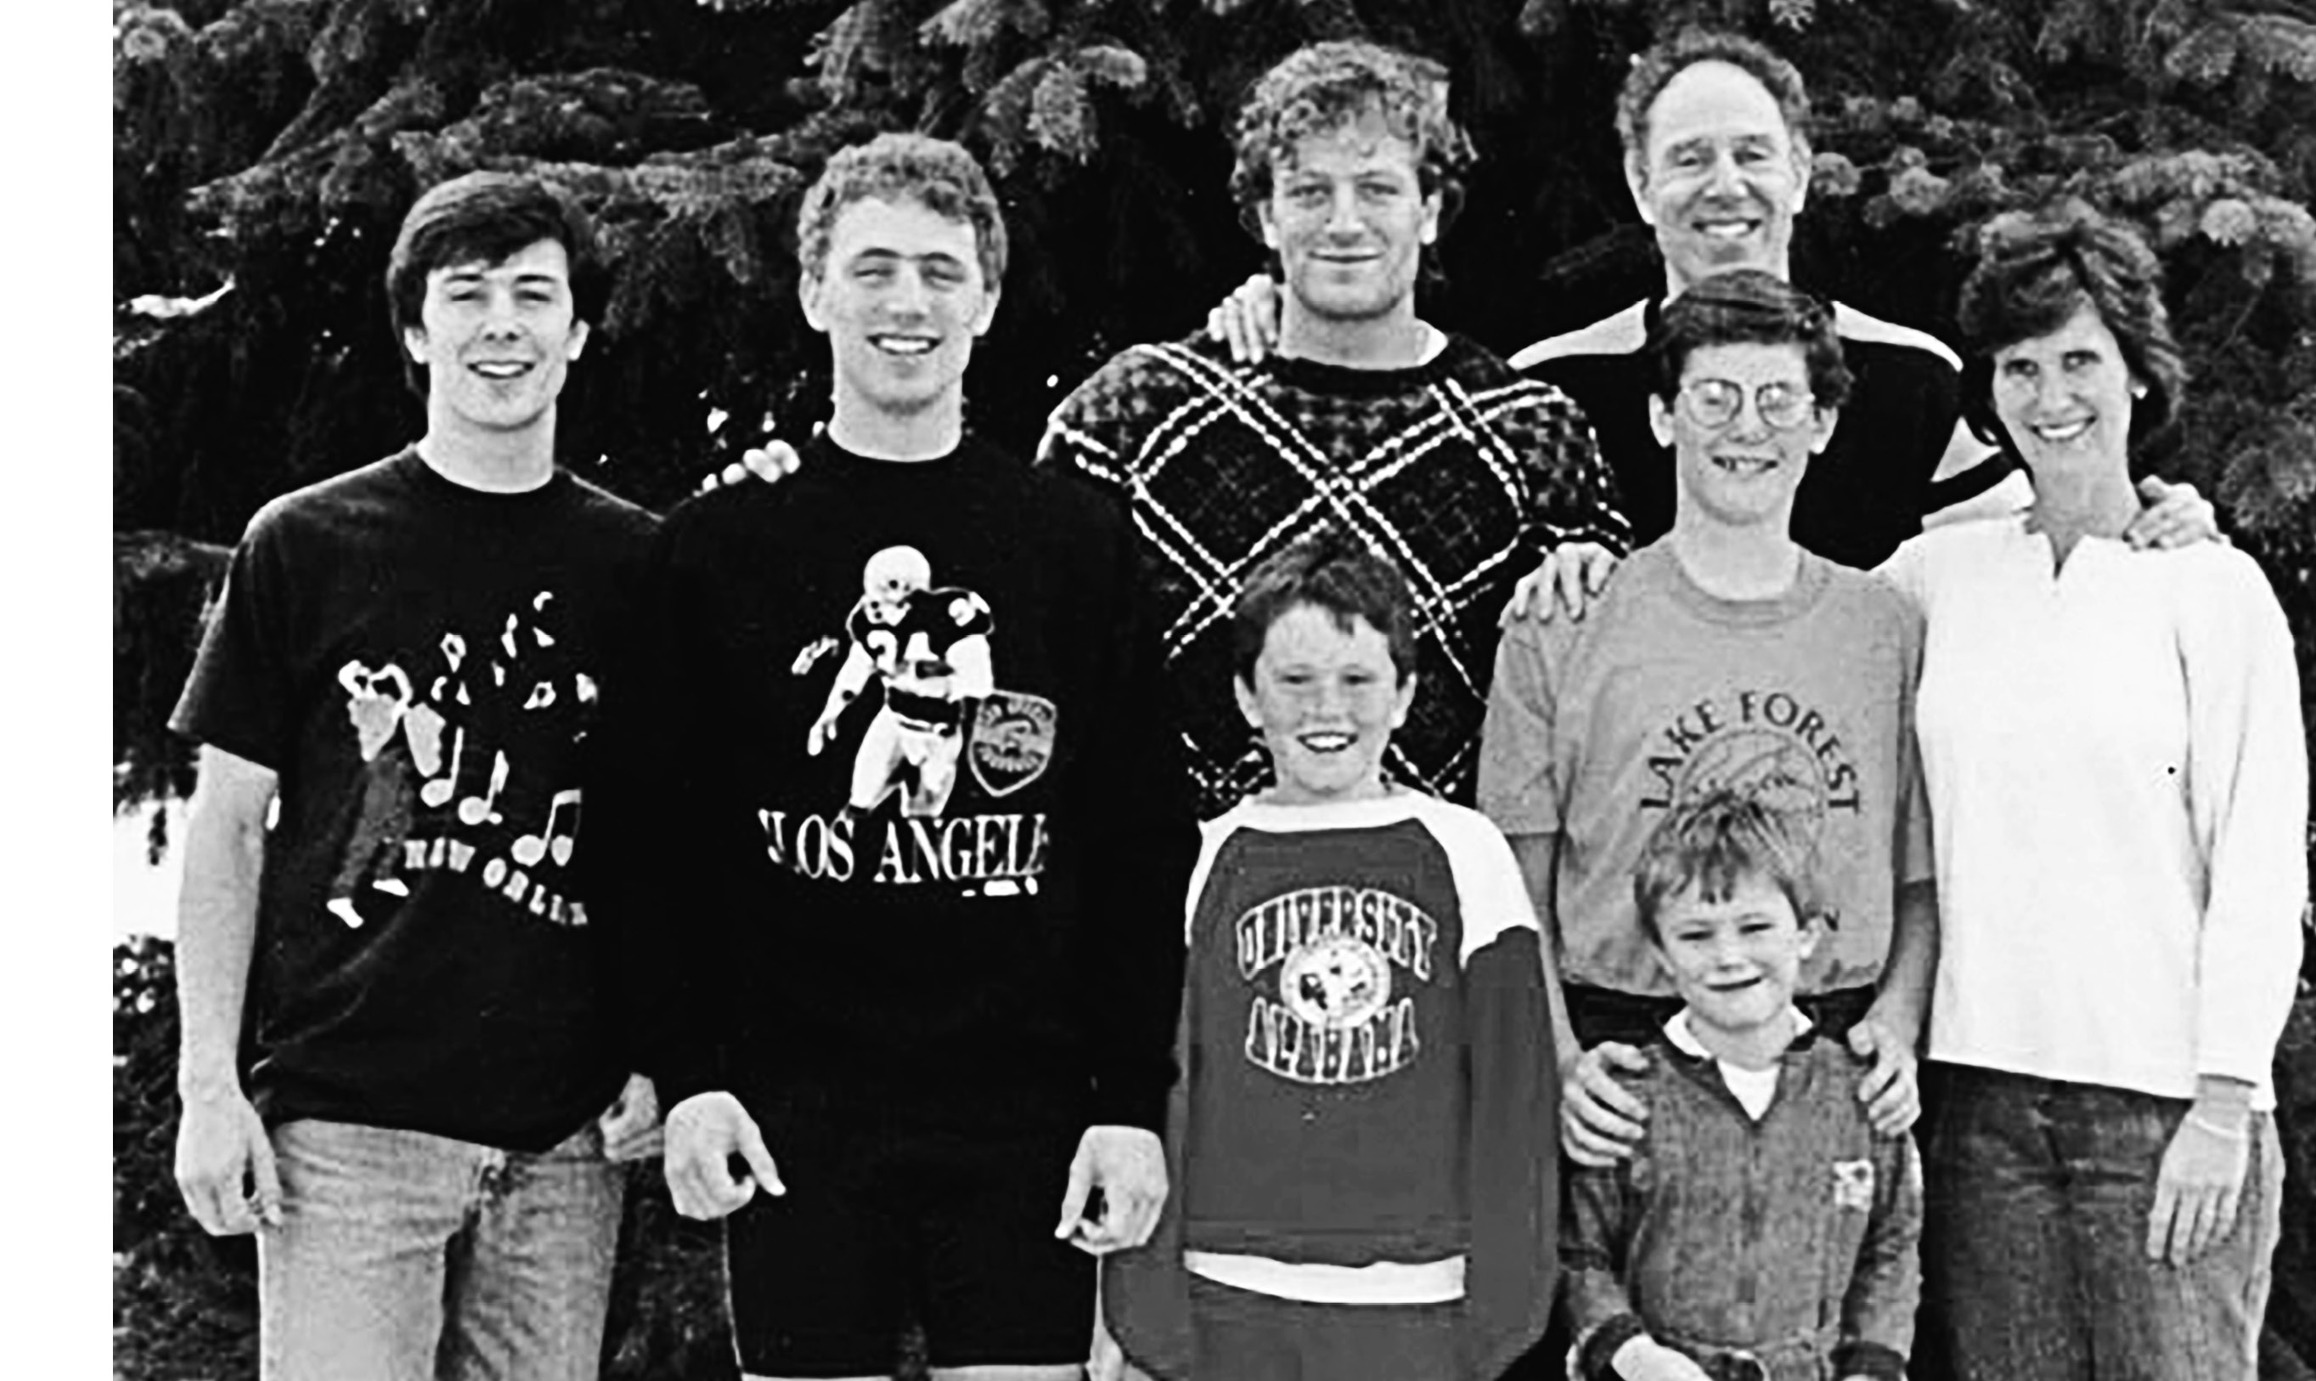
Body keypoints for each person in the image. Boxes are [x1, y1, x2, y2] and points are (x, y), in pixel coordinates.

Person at [596, 132, 1197, 1381]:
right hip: (795, 1110)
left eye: (938, 268)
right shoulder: (718, 550)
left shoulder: (1073, 547)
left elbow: (1141, 844)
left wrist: (1128, 1102)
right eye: (873, 269)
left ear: (984, 295)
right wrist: (693, 1078)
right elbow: (651, 843)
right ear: (816, 293)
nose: (906, 302)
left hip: (1021, 1111)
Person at [168, 170, 662, 1381]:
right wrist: (208, 1088)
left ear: (578, 331)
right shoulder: (307, 541)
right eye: (468, 293)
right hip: (348, 1127)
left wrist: (671, 1051)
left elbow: (665, 842)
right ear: (413, 327)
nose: (503, 323)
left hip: (565, 1144)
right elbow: (228, 828)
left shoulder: (642, 564)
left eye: (535, 294)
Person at [1202, 27, 2213, 572]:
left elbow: (2047, 542)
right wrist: (1266, 309)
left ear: (1803, 173)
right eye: (1688, 158)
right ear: (1641, 187)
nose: (1723, 185)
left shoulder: (1911, 381)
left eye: (1751, 154)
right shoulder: (1554, 388)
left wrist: (2167, 520)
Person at [1879, 199, 2305, 1381]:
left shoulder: (2212, 592)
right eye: (2021, 366)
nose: (2051, 394)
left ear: (2137, 375)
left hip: (2169, 1110)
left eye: (2080, 360)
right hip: (1983, 1107)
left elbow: (2260, 862)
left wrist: (2226, 1101)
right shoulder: (1935, 575)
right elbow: (1778, 614)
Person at [1039, 39, 1629, 817]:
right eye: (1310, 191)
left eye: (1377, 189)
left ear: (1429, 211)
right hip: (1186, 909)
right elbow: (1045, 655)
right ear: (1263, 214)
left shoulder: (1530, 432)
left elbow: (1597, 695)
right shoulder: (1133, 414)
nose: (1344, 222)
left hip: (1435, 906)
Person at [1478, 269, 1934, 1166]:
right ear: (1662, 415)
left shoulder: (1886, 625)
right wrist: (1562, 1061)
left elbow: (1918, 875)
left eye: (1777, 399)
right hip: (1621, 1062)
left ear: (1823, 424)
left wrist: (1898, 1019)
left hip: (1835, 1053)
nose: (1747, 427)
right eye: (1715, 397)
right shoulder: (1565, 621)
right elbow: (1512, 888)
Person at [1101, 534, 1560, 1381]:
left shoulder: (1464, 852)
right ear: (1246, 697)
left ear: (1406, 693)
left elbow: (1516, 1088)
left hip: (1416, 1296)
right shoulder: (1202, 859)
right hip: (1227, 1289)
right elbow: (1163, 1079)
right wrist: (1145, 1302)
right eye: (1295, 681)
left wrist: (1508, 1300)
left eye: (1358, 681)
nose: (1327, 709)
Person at [1562, 791, 1920, 1381]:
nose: (1729, 957)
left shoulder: (1862, 1091)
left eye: (1755, 927)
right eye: (1696, 935)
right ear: (1660, 950)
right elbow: (1580, 1253)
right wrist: (1631, 1352)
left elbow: (1892, 1244)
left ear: (1805, 933)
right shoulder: (1628, 1098)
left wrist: (1875, 1363)